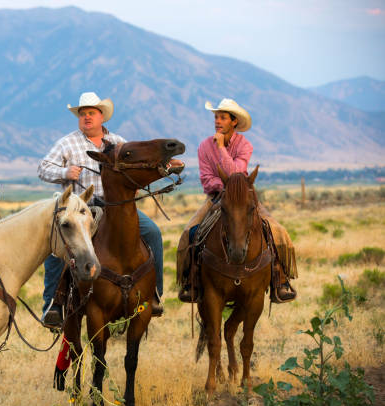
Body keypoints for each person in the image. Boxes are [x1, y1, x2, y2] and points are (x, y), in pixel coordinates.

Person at [37, 92, 184, 326]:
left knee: (153, 232)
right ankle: (53, 305)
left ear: (102, 116)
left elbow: (136, 167)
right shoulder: (67, 143)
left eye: (91, 113)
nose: (86, 117)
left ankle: (153, 295)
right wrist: (64, 173)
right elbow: (43, 168)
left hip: (117, 206)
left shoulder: (118, 143)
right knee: (59, 247)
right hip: (81, 207)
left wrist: (161, 169)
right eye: (82, 114)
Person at [176, 98, 297, 303]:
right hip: (216, 198)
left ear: (234, 122)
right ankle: (191, 281)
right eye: (216, 117)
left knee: (277, 230)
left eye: (222, 117)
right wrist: (225, 187)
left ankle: (280, 280)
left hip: (244, 199)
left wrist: (222, 148)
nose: (217, 121)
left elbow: (237, 173)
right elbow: (206, 180)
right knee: (189, 232)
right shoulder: (204, 146)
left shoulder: (245, 145)